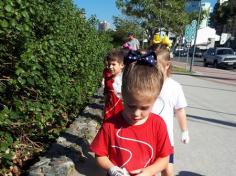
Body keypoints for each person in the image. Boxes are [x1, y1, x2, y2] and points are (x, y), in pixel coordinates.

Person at [90, 51, 173, 176]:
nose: (136, 113)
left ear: (155, 100)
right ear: (122, 94)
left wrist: (149, 171)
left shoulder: (158, 124)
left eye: (144, 108)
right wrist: (112, 169)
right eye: (131, 105)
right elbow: (100, 155)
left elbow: (164, 158)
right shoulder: (110, 125)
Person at [152, 47, 190, 176]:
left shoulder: (175, 87)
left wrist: (184, 130)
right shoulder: (146, 83)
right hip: (146, 134)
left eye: (156, 66)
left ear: (167, 65)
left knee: (167, 170)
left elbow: (180, 110)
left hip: (165, 138)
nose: (153, 69)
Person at [103, 49, 124, 120]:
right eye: (109, 64)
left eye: (113, 64)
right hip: (109, 109)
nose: (110, 67)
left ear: (122, 65)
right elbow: (106, 91)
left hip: (120, 110)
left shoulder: (124, 80)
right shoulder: (108, 78)